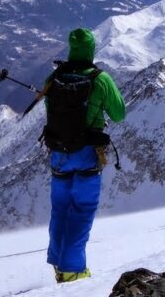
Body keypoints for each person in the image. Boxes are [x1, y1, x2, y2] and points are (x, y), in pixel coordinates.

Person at [43, 28, 125, 283]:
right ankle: (72, 270)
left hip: (58, 153)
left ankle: (58, 263)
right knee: (82, 209)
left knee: (60, 209)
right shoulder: (100, 79)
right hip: (87, 154)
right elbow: (119, 113)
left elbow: (48, 107)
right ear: (91, 50)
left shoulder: (55, 77)